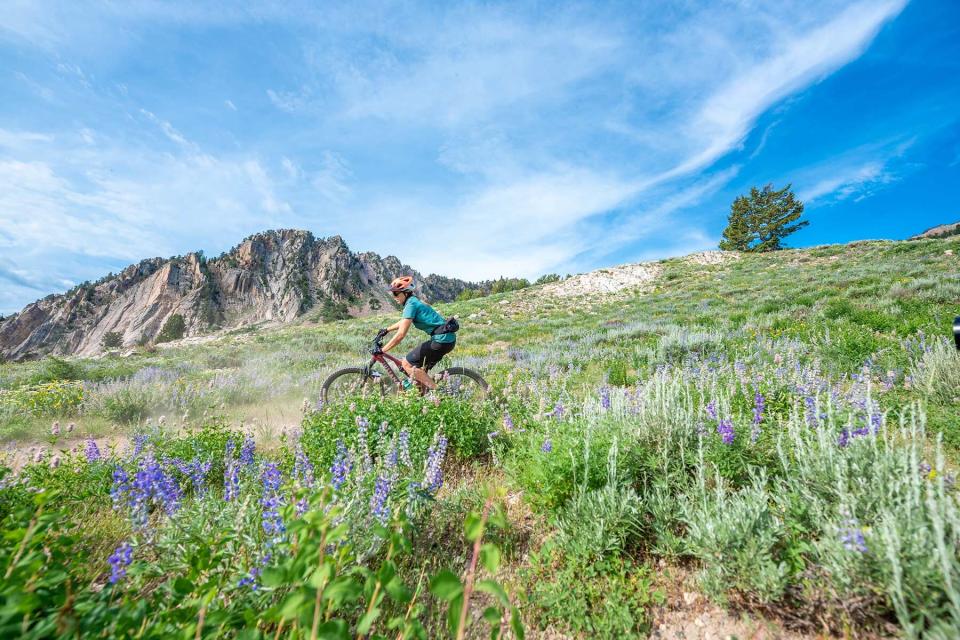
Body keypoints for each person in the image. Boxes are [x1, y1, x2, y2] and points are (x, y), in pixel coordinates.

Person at [380, 276, 456, 390]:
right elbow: (404, 321)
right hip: (446, 339)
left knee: (406, 364)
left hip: (441, 340)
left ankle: (438, 393)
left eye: (396, 293)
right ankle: (424, 401)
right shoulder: (413, 301)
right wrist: (386, 330)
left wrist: (383, 350)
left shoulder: (411, 304)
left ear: (405, 293)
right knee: (419, 376)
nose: (393, 297)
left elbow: (401, 335)